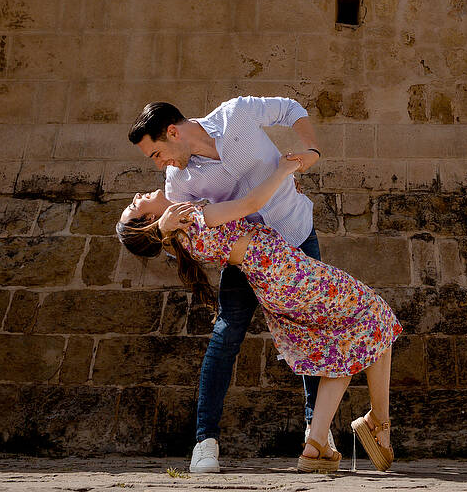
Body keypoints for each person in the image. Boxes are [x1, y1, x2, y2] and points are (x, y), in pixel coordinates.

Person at [117, 157, 400, 473]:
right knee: (374, 312)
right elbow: (253, 202)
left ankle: (316, 445)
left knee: (343, 338)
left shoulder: (181, 240)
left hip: (277, 285)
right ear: (147, 221)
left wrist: (161, 226)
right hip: (291, 275)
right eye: (135, 207)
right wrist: (283, 170)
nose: (137, 197)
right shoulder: (194, 219)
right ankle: (377, 423)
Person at [123, 97, 324, 473]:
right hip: (246, 258)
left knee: (310, 333)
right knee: (227, 334)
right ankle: (205, 442)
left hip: (296, 235)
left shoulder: (238, 114)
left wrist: (310, 148)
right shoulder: (178, 182)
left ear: (172, 132)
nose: (158, 163)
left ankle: (318, 433)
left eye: (156, 154)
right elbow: (186, 245)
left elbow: (292, 109)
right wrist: (165, 232)